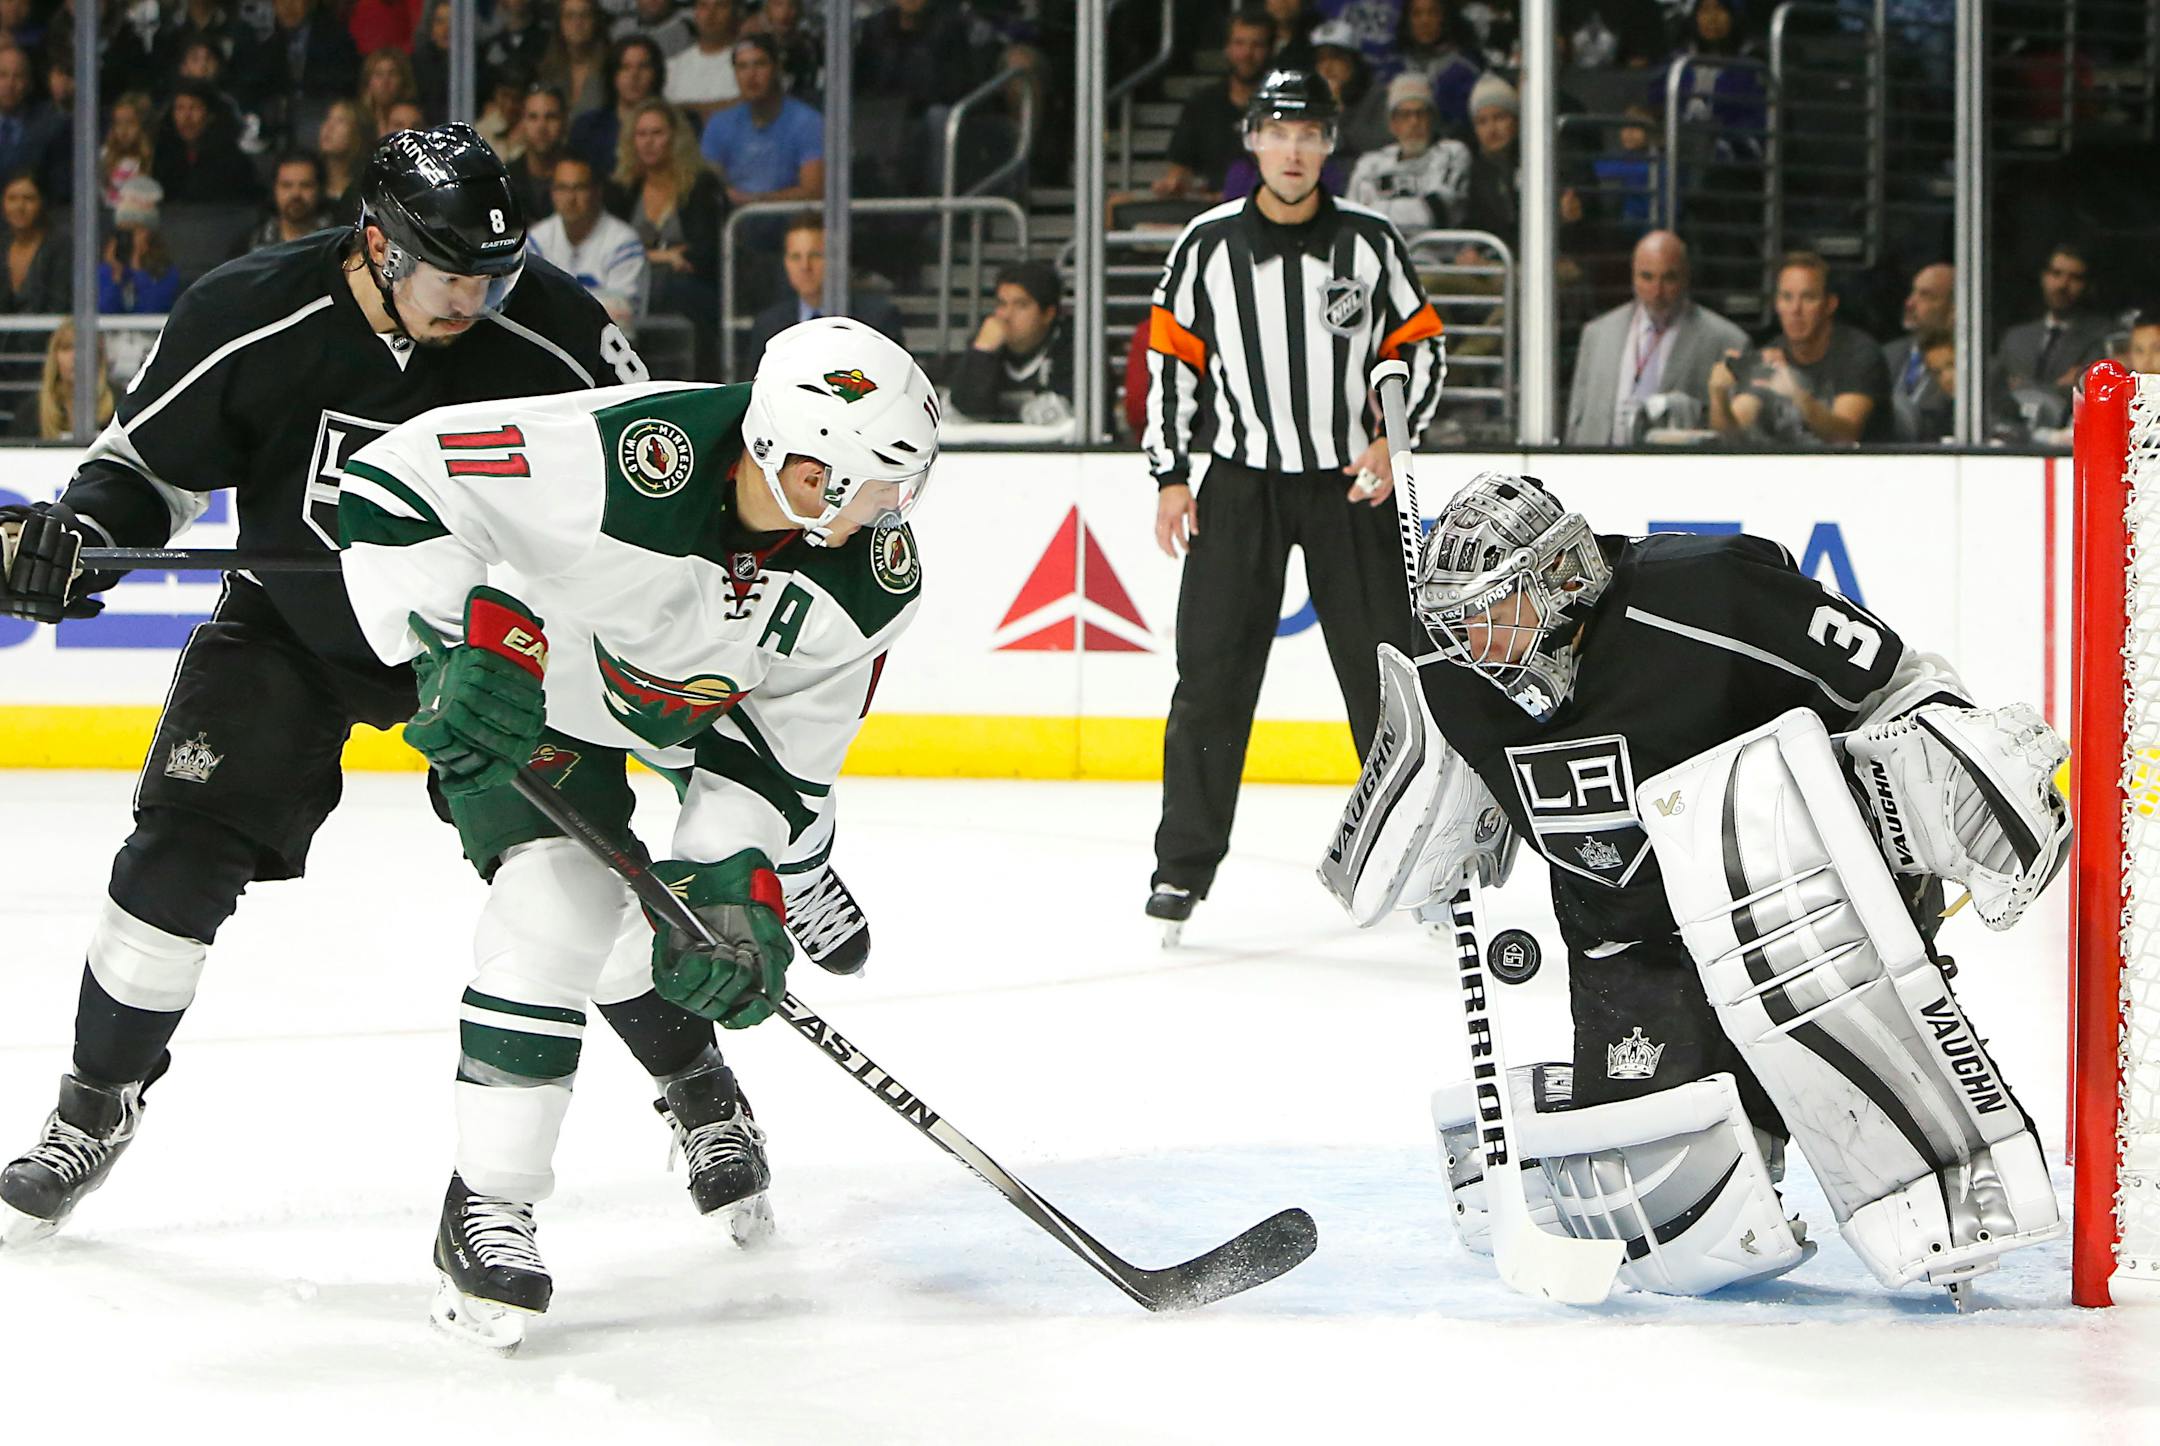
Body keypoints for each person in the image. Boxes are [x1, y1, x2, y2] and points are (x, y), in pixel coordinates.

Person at [0, 125, 730, 1255]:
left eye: (495, 276)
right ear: (379, 246)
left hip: (486, 647)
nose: (475, 302)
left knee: (572, 875)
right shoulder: (254, 307)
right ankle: (93, 1107)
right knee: (174, 859)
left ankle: (698, 1088)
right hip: (297, 628)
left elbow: (660, 486)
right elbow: (147, 468)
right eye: (451, 276)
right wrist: (79, 533)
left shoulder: (558, 328)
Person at [334, 316, 937, 1348]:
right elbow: (395, 480)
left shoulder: (870, 575)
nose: (898, 510)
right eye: (881, 480)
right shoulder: (631, 458)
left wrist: (729, 891)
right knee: (562, 909)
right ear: (803, 463)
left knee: (774, 857)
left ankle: (804, 879)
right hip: (540, 701)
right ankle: (489, 1202)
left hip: (694, 707)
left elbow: (778, 758)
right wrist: (441, 644)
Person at [1359, 469, 2067, 1300]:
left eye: (1492, 611)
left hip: (1799, 903)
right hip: (1624, 931)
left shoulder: (1707, 597)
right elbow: (1443, 793)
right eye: (1459, 620)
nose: (1472, 641)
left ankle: (1936, 1179)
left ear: (1561, 580)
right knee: (1673, 1230)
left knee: (1857, 1116)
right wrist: (1441, 843)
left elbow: (1898, 684)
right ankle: (1578, 1112)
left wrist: (1954, 780)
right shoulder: (1454, 671)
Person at [1140, 70, 1444, 937]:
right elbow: (1171, 363)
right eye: (1280, 133)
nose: (1296, 150)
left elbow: (1420, 345)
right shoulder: (1205, 247)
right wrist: (1170, 474)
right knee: (1210, 683)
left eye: (1311, 133)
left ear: (1331, 144)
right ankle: (1181, 871)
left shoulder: (1371, 242)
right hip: (1239, 484)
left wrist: (1395, 434)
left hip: (1350, 486)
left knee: (1388, 685)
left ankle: (1417, 861)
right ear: (1252, 141)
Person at [1564, 230, 1746, 444]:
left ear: (1686, 277)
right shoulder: (1597, 334)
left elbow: (1733, 436)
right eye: (1647, 277)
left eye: (1669, 278)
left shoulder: (1725, 340)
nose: (1657, 291)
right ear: (1633, 275)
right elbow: (1576, 420)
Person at [1710, 250, 1889, 445]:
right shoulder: (1771, 355)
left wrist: (1797, 396)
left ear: (1830, 304)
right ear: (1777, 304)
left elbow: (1845, 435)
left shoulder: (1859, 353)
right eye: (1787, 298)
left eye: (1808, 298)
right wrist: (1719, 397)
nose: (1795, 309)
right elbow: (1733, 435)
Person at [607, 98, 723, 360]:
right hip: (630, 281)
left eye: (657, 133)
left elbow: (704, 252)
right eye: (641, 134)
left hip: (690, 287)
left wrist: (643, 252)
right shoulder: (622, 188)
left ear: (675, 138)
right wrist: (666, 255)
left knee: (674, 290)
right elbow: (610, 244)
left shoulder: (701, 185)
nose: (648, 142)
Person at [1150, 6, 1273, 203]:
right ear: (1227, 48)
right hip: (1206, 209)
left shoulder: (1282, 107)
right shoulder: (1201, 104)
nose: (1247, 54)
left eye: (1256, 45)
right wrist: (1174, 185)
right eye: (1239, 43)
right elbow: (1179, 169)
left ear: (1270, 50)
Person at [743, 210, 903, 361]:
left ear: (837, 259)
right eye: (795, 257)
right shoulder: (768, 326)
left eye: (815, 255)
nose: (805, 266)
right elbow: (755, 387)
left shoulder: (877, 320)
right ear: (785, 263)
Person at [1994, 243, 2113, 426]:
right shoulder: (2016, 338)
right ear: (2043, 277)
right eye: (2056, 274)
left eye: (2074, 278)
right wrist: (2059, 386)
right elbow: (1997, 392)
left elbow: (2087, 392)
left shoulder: (2103, 335)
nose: (2062, 285)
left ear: (2088, 286)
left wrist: (2025, 386)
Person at [528, 152, 648, 333]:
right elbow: (526, 305)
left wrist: (553, 307)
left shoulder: (624, 243)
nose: (570, 198)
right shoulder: (536, 240)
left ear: (597, 191)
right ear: (552, 193)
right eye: (562, 188)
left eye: (579, 188)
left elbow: (622, 314)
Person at [699, 35, 823, 209]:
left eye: (760, 64)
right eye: (742, 67)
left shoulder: (808, 122)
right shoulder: (719, 124)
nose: (751, 75)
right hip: (733, 227)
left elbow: (814, 192)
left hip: (793, 224)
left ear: (777, 68)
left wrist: (755, 201)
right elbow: (706, 184)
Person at [1345, 71, 1470, 240]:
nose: (1414, 122)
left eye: (1421, 114)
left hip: (1436, 260)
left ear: (1432, 118)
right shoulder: (1370, 164)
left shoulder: (1452, 154)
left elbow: (1436, 212)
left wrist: (1374, 210)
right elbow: (1351, 219)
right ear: (1392, 124)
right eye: (1405, 115)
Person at [950, 259, 1075, 425]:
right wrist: (981, 352)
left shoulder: (1074, 352)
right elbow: (966, 409)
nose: (1006, 315)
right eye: (1002, 304)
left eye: (1021, 305)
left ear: (1048, 314)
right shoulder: (986, 348)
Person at [567, 35, 666, 175]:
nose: (634, 75)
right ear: (613, 75)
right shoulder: (587, 128)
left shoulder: (675, 125)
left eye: (643, 67)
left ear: (656, 74)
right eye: (625, 68)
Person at [1883, 261, 1953, 443]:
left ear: (1954, 307)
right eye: (1913, 292)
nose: (1910, 303)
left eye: (1926, 295)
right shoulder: (1885, 356)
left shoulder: (1974, 371)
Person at [10, 317, 112, 439]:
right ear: (55, 357)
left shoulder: (118, 406)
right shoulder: (31, 411)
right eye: (67, 348)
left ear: (99, 356)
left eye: (83, 347)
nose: (75, 357)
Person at [97, 179, 183, 314]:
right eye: (123, 232)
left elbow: (151, 310)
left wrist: (138, 267)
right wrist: (116, 276)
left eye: (134, 231)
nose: (127, 238)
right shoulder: (105, 271)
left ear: (148, 234)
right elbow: (104, 311)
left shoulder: (164, 272)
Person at [664, 0, 744, 126]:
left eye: (720, 6)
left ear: (734, 13)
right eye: (703, 6)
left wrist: (685, 109)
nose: (710, 14)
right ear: (695, 13)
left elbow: (750, 106)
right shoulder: (672, 67)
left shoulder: (749, 62)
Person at [0, 170, 68, 317]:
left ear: (42, 203)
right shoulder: (2, 246)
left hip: (48, 336)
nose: (20, 207)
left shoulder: (61, 248)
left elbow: (59, 306)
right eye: (12, 199)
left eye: (29, 199)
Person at [538, 0, 609, 120]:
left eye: (585, 15)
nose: (577, 23)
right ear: (559, 24)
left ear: (596, 21)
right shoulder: (548, 70)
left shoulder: (610, 67)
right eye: (569, 16)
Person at [249, 150, 332, 249]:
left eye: (306, 186)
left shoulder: (339, 241)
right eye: (287, 185)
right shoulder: (252, 242)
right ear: (274, 189)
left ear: (320, 190)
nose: (296, 194)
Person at [511, 83, 569, 221]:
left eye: (551, 117)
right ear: (522, 123)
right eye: (533, 117)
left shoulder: (585, 179)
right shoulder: (505, 182)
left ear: (565, 121)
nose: (541, 127)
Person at [100, 92, 158, 212]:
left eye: (131, 123)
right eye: (118, 123)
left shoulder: (150, 160)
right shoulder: (104, 156)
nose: (123, 131)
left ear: (144, 126)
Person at [316, 98, 370, 220]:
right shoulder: (311, 180)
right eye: (328, 118)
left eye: (340, 121)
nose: (329, 127)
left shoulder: (365, 189)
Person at [356, 46, 418, 139]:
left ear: (403, 80)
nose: (385, 81)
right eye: (378, 74)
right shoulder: (357, 123)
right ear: (368, 81)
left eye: (392, 74)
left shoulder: (413, 119)